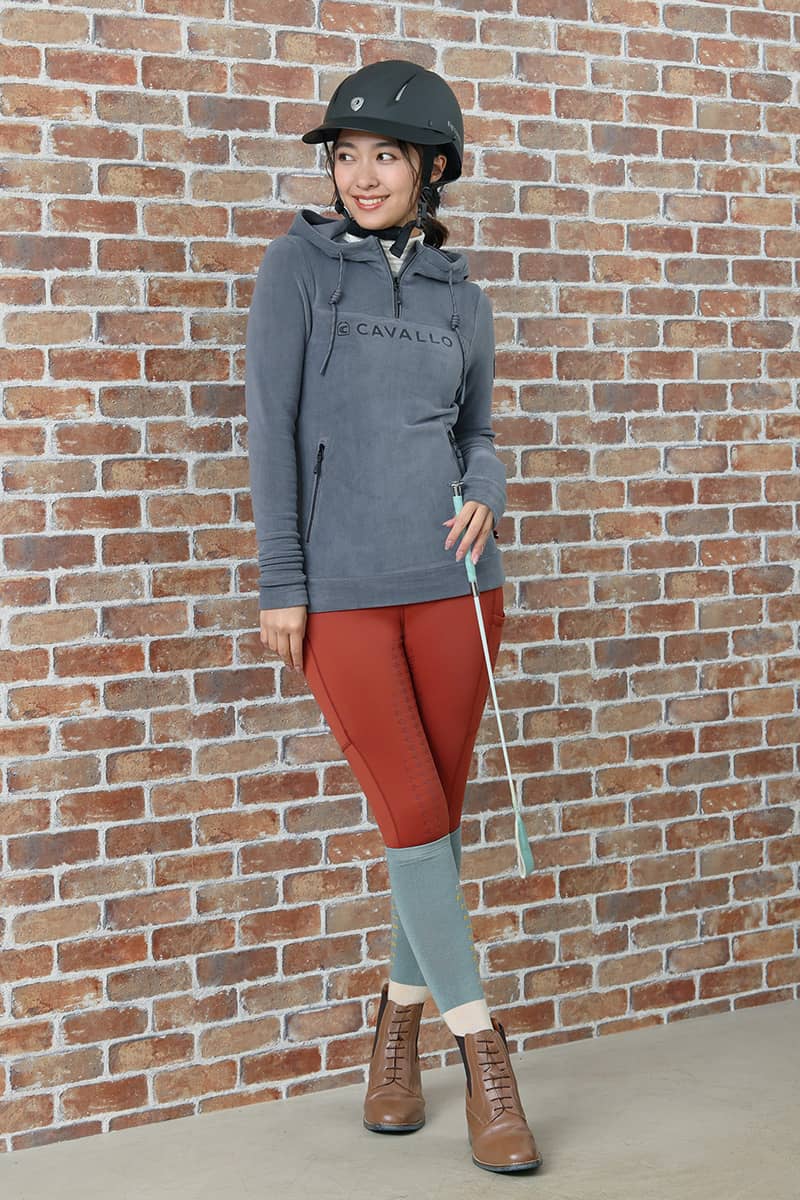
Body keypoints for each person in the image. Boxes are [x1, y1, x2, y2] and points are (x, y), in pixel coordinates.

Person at [245, 59, 542, 1174]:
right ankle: (484, 1049)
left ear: (432, 169)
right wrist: (282, 582)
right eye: (345, 155)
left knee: (434, 827)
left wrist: (488, 489)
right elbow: (269, 429)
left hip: (461, 586)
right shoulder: (297, 268)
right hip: (344, 594)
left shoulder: (462, 296)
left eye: (385, 156)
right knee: (411, 811)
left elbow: (477, 432)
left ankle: (395, 1033)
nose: (360, 175)